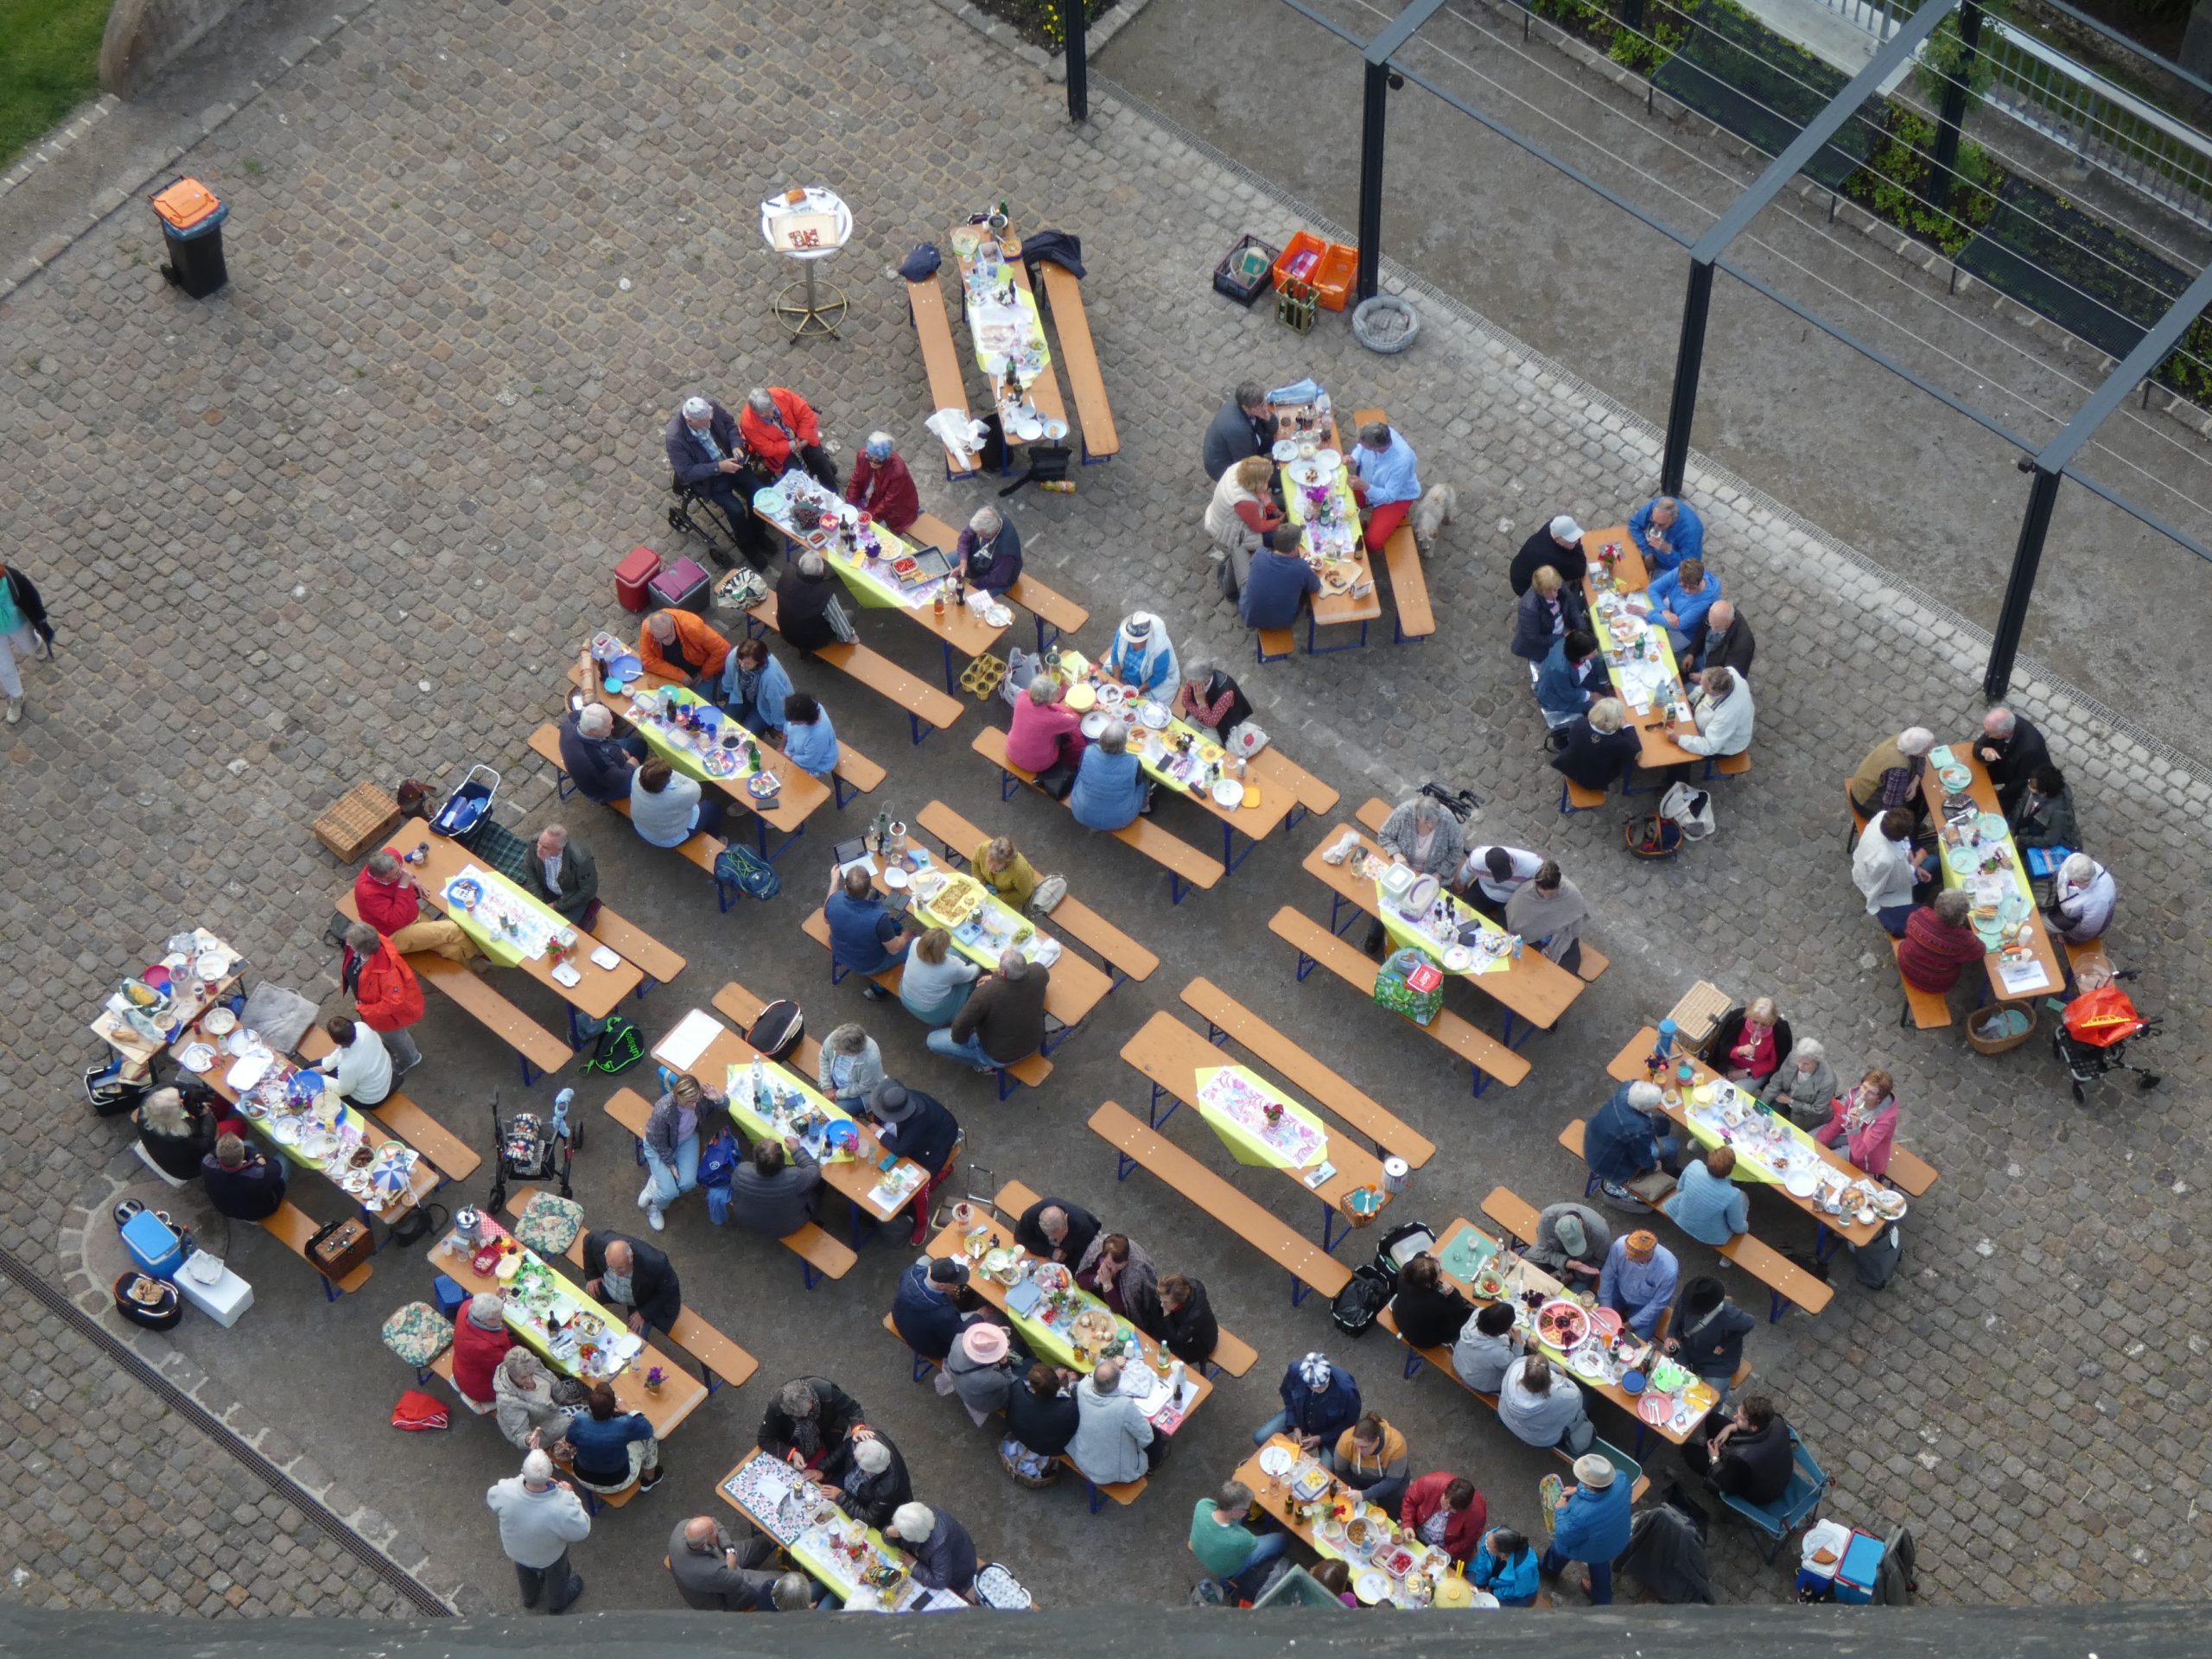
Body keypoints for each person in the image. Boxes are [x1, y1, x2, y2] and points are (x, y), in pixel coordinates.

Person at [665, 394, 776, 569]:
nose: (709, 424)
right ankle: (748, 546)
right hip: (711, 480)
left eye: (709, 419)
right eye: (704, 423)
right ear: (690, 421)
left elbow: (731, 426)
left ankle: (759, 533)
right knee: (736, 510)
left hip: (733, 462)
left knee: (758, 492)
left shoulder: (711, 407)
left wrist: (735, 446)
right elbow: (686, 472)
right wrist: (718, 467)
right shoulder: (675, 438)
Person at [487, 1449, 589, 1613]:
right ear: (551, 1473)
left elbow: (493, 1496)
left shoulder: (504, 1490)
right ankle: (557, 1604)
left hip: (516, 1551)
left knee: (524, 1572)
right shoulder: (561, 1505)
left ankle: (530, 1598)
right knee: (558, 1576)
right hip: (550, 1558)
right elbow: (582, 1529)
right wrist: (572, 1496)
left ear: (522, 1472)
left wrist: (522, 1477)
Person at [1363, 794, 1465, 953]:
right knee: (1388, 901)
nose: (1433, 826)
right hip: (1404, 870)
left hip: (1432, 876)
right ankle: (1375, 935)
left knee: (1427, 913)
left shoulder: (1447, 820)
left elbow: (1456, 851)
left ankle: (1413, 947)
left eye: (1435, 823)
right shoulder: (1404, 813)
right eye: (1429, 824)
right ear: (1418, 819)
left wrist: (1439, 874)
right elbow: (1385, 835)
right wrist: (1396, 853)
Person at [863, 1083, 961, 1236]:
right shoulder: (892, 1099)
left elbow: (901, 1150)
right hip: (913, 1137)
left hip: (936, 1143)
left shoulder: (918, 1118)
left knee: (918, 1187)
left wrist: (879, 1132)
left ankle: (922, 1222)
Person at [929, 948, 1049, 1072]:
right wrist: (995, 978)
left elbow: (959, 1028)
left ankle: (984, 1065)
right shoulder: (1039, 972)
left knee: (932, 1040)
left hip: (1000, 1056)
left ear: (1003, 973)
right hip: (1034, 1042)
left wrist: (966, 1041)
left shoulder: (984, 994)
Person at [352, 849, 473, 963]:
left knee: (453, 951)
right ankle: (481, 954)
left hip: (412, 915)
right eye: (394, 876)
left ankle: (472, 971)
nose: (399, 876)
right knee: (452, 929)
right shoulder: (367, 893)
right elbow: (395, 921)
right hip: (394, 933)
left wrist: (412, 881)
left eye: (400, 870)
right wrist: (403, 885)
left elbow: (403, 873)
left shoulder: (391, 854)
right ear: (379, 878)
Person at [1542, 1452, 1631, 1605]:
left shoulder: (1581, 1514)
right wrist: (1578, 1490)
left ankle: (1549, 1569)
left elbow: (1564, 1535)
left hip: (1594, 1549)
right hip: (1616, 1540)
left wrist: (1562, 1510)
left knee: (1561, 1546)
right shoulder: (1622, 1479)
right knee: (1600, 1565)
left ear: (1590, 1485)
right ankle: (1602, 1600)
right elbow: (1601, 1491)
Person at [340, 922, 425, 1074]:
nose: (347, 944)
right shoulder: (373, 946)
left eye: (351, 944)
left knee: (396, 1037)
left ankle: (410, 1058)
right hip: (375, 1010)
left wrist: (364, 1009)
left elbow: (393, 1003)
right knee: (389, 1036)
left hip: (389, 1018)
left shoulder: (387, 974)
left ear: (363, 950)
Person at [1681, 1395, 1795, 1504]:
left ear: (1754, 1427)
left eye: (1740, 1419)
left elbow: (1727, 1483)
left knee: (1688, 1450)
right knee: (1712, 1418)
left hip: (1761, 1491)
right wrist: (1729, 1428)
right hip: (1772, 1463)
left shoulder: (1743, 1459)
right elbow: (1758, 1432)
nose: (1735, 1417)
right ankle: (1716, 1450)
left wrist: (1714, 1458)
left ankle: (1709, 1456)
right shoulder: (1775, 1420)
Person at [1189, 1481, 1289, 1601]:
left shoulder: (1202, 1504)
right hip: (1231, 1570)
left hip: (1204, 1549)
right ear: (1235, 1510)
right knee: (1281, 1540)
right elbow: (1251, 1545)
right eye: (1247, 1509)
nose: (1248, 1510)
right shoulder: (1241, 1539)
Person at [1584, 1078, 1681, 1202]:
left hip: (1595, 1141)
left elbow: (1633, 1082)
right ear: (1643, 1109)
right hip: (1609, 1165)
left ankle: (1663, 1150)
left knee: (1662, 1122)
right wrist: (1653, 1167)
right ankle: (1670, 1172)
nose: (1659, 1105)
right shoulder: (1638, 1129)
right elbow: (1642, 1158)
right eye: (1657, 1104)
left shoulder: (1625, 1091)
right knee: (1673, 1145)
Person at [641, 1072, 716, 1230]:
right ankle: (655, 1205)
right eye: (690, 1102)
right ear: (679, 1098)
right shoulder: (664, 1109)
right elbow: (655, 1139)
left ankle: (658, 1182)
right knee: (669, 1192)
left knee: (688, 1183)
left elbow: (723, 1105)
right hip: (659, 1146)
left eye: (696, 1100)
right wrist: (670, 1164)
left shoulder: (699, 1099)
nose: (695, 1105)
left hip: (687, 1139)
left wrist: (719, 1098)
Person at [669, 1515, 788, 1612]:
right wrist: (731, 1565)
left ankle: (750, 1569)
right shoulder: (711, 1572)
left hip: (721, 1559)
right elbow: (736, 1580)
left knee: (762, 1544)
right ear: (704, 1544)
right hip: (725, 1590)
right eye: (714, 1533)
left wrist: (729, 1550)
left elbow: (714, 1521)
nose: (717, 1530)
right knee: (783, 1580)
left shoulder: (683, 1527)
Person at [1070, 1359, 1163, 1484]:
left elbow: (1091, 1378)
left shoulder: (1082, 1387)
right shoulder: (1124, 1406)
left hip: (1083, 1458)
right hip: (1112, 1473)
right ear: (1118, 1383)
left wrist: (1113, 1365)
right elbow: (1147, 1438)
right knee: (1155, 1432)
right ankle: (1153, 1464)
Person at [565, 1382, 663, 1497]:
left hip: (582, 1476)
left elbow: (570, 1439)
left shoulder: (580, 1419)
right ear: (613, 1406)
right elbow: (648, 1430)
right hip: (617, 1482)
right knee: (649, 1439)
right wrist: (629, 1410)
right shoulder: (624, 1424)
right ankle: (649, 1479)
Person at [824, 866, 911, 995]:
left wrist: (834, 881)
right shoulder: (879, 918)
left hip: (840, 951)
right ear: (871, 887)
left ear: (846, 888)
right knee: (914, 944)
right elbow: (894, 949)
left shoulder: (834, 900)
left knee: (892, 927)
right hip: (869, 965)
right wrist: (907, 935)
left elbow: (826, 919)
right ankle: (880, 988)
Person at [1666, 1276, 1755, 1400]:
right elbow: (1677, 1311)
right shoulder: (1691, 1297)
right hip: (1687, 1345)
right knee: (1666, 1377)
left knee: (1712, 1397)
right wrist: (1671, 1335)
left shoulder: (1728, 1315)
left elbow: (1750, 1323)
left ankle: (1717, 1410)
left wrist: (1725, 1344)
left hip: (1715, 1361)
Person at [1250, 1351, 1361, 1452]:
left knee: (1324, 1471)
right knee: (1260, 1438)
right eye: (1314, 1387)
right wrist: (1295, 1424)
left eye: (1323, 1385)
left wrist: (1322, 1438)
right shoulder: (1295, 1370)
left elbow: (1349, 1423)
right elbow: (1287, 1394)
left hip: (1330, 1430)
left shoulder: (1347, 1390)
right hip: (1298, 1415)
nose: (1319, 1389)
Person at [756, 1376, 870, 1473]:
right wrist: (792, 1454)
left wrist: (858, 1429)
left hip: (829, 1426)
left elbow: (853, 1410)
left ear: (811, 1402)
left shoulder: (827, 1391)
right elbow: (764, 1438)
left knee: (836, 1458)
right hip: (795, 1440)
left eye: (808, 1412)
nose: (805, 1417)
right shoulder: (777, 1406)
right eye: (798, 1416)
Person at [1205, 455, 1282, 594]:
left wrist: (1273, 509)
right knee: (1239, 561)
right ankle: (1230, 590)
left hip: (1225, 518)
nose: (1267, 483)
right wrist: (1278, 522)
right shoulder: (1244, 502)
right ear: (1256, 482)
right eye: (1265, 480)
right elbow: (1257, 526)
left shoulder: (1242, 470)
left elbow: (1261, 493)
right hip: (1233, 533)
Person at [580, 1230, 681, 1334]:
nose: (617, 1274)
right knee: (579, 1305)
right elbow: (588, 1240)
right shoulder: (600, 1241)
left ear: (631, 1257)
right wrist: (592, 1276)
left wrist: (644, 1313)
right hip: (608, 1287)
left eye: (621, 1269)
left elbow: (669, 1290)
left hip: (639, 1301)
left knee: (636, 1339)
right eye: (611, 1267)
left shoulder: (655, 1262)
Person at [1854, 808, 1934, 937]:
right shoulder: (1886, 859)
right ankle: (1918, 899)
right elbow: (1899, 878)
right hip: (1878, 881)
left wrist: (1914, 861)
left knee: (1926, 868)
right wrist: (1919, 860)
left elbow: (1904, 843)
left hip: (1872, 861)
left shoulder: (1883, 816)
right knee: (1933, 864)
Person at [739, 386, 837, 487]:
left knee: (819, 460)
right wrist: (793, 444)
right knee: (797, 476)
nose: (772, 414)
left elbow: (805, 413)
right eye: (766, 415)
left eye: (772, 409)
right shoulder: (748, 424)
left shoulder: (780, 394)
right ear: (755, 412)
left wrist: (804, 438)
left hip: (800, 433)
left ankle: (832, 490)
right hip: (780, 452)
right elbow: (767, 449)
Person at [1497, 1353, 1592, 1452]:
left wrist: (1555, 1368)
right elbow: (1577, 1398)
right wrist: (1562, 1377)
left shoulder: (1515, 1367)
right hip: (1541, 1440)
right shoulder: (1561, 1396)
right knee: (1587, 1393)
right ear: (1549, 1377)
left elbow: (1530, 1362)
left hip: (1507, 1417)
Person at [728, 1138, 823, 1237]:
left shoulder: (741, 1171)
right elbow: (815, 1171)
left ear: (756, 1160)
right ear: (782, 1160)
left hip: (749, 1221)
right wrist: (797, 1149)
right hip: (786, 1227)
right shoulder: (794, 1177)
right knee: (818, 1186)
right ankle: (814, 1218)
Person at [0, 556, 55, 724]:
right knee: (4, 668)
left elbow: (32, 597)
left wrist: (41, 622)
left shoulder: (11, 579)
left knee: (29, 648)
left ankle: (37, 644)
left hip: (18, 625)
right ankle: (16, 696)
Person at [1348, 419, 1421, 547]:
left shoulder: (1402, 461)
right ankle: (1360, 524)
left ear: (1376, 448)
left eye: (1364, 444)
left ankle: (1398, 515)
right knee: (1340, 501)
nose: (1359, 443)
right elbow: (1361, 447)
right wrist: (1354, 457)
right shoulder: (1381, 434)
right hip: (1368, 482)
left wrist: (1365, 487)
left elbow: (1389, 496)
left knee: (1373, 542)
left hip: (1396, 498)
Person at [1505, 860, 1586, 974]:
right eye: (1542, 894)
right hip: (1532, 940)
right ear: (1536, 885)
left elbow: (1573, 926)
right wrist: (1538, 947)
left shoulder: (1570, 894)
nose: (1547, 899)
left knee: (1566, 973)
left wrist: (1552, 945)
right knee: (1525, 969)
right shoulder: (1524, 894)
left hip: (1561, 938)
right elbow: (1518, 927)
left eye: (1552, 894)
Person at [891, 1254, 976, 1362]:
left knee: (924, 1259)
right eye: (954, 1283)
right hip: (930, 1347)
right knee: (988, 1317)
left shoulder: (910, 1272)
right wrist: (979, 1315)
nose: (956, 1285)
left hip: (901, 1317)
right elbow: (958, 1337)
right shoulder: (945, 1314)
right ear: (942, 1286)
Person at [1898, 889, 1986, 994]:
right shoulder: (1963, 939)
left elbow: (1908, 929)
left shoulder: (1920, 914)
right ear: (1962, 918)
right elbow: (1980, 951)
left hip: (1906, 965)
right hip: (1935, 983)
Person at [1815, 1069, 1898, 1177]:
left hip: (1865, 1154)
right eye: (1864, 1087)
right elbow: (1841, 1119)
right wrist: (1820, 1141)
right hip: (1850, 1135)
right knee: (1811, 1141)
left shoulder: (1884, 1122)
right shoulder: (1856, 1097)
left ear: (1879, 1099)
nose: (1863, 1095)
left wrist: (1854, 1127)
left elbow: (1859, 1153)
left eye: (1871, 1093)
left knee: (1825, 1164)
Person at [558, 702, 646, 805]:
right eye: (608, 726)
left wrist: (617, 748)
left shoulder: (572, 719)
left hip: (601, 758)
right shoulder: (596, 760)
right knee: (640, 750)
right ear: (594, 732)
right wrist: (631, 766)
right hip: (604, 790)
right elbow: (620, 779)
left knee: (638, 744)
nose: (613, 727)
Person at [1661, 1147, 1751, 1247]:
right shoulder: (1733, 1194)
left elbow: (1680, 1188)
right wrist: (1745, 1226)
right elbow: (1736, 1227)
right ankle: (1733, 1249)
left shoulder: (1695, 1165)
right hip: (1710, 1235)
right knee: (1744, 1197)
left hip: (1681, 1215)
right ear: (1730, 1170)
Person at [1239, 523, 1320, 631]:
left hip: (1250, 615)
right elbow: (1316, 587)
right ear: (1295, 548)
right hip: (1284, 621)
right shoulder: (1301, 567)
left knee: (1238, 552)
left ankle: (1230, 592)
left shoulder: (1260, 554)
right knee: (1305, 586)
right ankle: (1310, 612)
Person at [1551, 697, 1641, 795]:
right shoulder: (1619, 743)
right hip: (1591, 781)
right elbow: (1636, 752)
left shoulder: (1581, 723)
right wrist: (1628, 727)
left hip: (1567, 765)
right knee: (1625, 761)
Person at [885, 1502, 976, 1597]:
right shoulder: (915, 1517)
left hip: (959, 1573)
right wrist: (887, 1532)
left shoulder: (939, 1546)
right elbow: (897, 1534)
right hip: (940, 1560)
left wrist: (913, 1565)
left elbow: (940, 1581)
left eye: (900, 1533)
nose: (896, 1530)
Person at [1599, 1230, 1679, 1338]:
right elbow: (1607, 1276)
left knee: (1637, 1343)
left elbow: (1657, 1304)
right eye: (1626, 1252)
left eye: (1632, 1257)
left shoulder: (1669, 1270)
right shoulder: (1619, 1245)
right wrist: (1606, 1310)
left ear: (1646, 1257)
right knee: (1599, 1324)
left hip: (1645, 1305)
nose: (1626, 1257)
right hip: (1619, 1291)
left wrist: (1631, 1324)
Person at [1003, 1363, 1082, 1472]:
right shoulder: (1068, 1409)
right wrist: (1073, 1383)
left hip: (1019, 1433)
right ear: (1058, 1386)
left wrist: (1048, 1380)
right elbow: (1077, 1402)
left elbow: (1025, 1384)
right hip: (1052, 1448)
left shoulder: (1017, 1389)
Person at [630, 758, 724, 849]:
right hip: (668, 838)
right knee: (712, 809)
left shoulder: (638, 772)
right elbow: (695, 787)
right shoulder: (679, 795)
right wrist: (668, 772)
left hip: (642, 827)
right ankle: (715, 838)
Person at [1077, 1230, 1163, 1329]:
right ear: (1103, 1257)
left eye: (1118, 1268)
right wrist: (1097, 1279)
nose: (1113, 1271)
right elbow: (1080, 1279)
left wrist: (1107, 1284)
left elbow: (1121, 1309)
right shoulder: (1096, 1250)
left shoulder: (1135, 1271)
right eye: (1109, 1266)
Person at [1849, 727, 1936, 823]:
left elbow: (1921, 759)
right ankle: (1915, 830)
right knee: (1917, 807)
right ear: (1917, 752)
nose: (1932, 750)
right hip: (1867, 803)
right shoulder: (1899, 771)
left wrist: (1915, 781)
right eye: (1928, 750)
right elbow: (1891, 806)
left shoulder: (1904, 740)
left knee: (1920, 796)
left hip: (1863, 786)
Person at [1974, 704, 2050, 815]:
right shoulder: (2002, 724)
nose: (1987, 736)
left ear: (2005, 733)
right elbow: (1978, 746)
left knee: (1994, 809)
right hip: (2004, 763)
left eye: (1990, 733)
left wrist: (1998, 795)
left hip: (2023, 777)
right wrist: (1983, 751)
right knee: (1975, 777)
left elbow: (2020, 783)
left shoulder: (2030, 750)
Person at [493, 1348, 571, 1453]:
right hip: (545, 1427)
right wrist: (529, 1439)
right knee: (585, 1417)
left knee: (583, 1386)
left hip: (554, 1404)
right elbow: (519, 1435)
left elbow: (550, 1378)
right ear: (511, 1375)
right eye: (523, 1378)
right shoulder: (507, 1401)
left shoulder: (529, 1364)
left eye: (531, 1374)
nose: (530, 1380)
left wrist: (564, 1397)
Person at [1388, 1254, 1473, 1350]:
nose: (1442, 1271)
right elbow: (1458, 1307)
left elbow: (1417, 1258)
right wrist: (1452, 1293)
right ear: (1428, 1284)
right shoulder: (1431, 1301)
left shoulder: (1405, 1273)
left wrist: (1428, 1258)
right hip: (1422, 1338)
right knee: (1470, 1314)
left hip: (1400, 1314)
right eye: (1439, 1272)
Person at [774, 551, 851, 656]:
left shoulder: (788, 571)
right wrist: (851, 637)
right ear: (821, 573)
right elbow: (844, 632)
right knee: (850, 615)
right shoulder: (824, 594)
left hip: (785, 631)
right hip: (812, 641)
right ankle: (820, 655)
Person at [1007, 676, 1086, 778]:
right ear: (1049, 699)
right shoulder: (1053, 719)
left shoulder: (1021, 697)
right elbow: (1075, 720)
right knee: (1067, 736)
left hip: (1012, 751)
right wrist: (1061, 707)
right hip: (1038, 764)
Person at [899, 928, 979, 1028]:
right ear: (943, 949)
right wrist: (978, 964)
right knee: (967, 984)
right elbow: (972, 973)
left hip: (905, 997)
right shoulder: (951, 966)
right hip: (933, 1014)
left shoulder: (915, 942)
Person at [136, 1086, 219, 1181]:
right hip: (186, 1170)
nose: (181, 1101)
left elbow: (169, 1084)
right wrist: (206, 1115)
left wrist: (185, 1093)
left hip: (162, 1151)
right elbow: (205, 1143)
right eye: (179, 1105)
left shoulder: (149, 1104)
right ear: (172, 1117)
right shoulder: (179, 1138)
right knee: (234, 1126)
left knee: (218, 1101)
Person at [1399, 1472, 1485, 1564]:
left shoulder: (1477, 1514)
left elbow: (1467, 1540)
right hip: (1416, 1533)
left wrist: (1443, 1552)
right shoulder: (1430, 1483)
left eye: (1452, 1509)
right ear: (1444, 1491)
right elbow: (1410, 1500)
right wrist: (1408, 1524)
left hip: (1443, 1548)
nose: (1446, 1509)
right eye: (1445, 1502)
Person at [1329, 1413, 1411, 1510]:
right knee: (1336, 1492)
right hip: (1357, 1477)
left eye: (1363, 1447)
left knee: (1397, 1498)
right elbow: (1341, 1471)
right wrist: (1356, 1492)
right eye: (1356, 1445)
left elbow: (1392, 1481)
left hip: (1386, 1479)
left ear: (1376, 1441)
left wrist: (1365, 1495)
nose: (1359, 1450)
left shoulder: (1397, 1445)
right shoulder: (1346, 1440)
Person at [1702, 997, 1792, 1084]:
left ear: (1771, 1023)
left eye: (1764, 1024)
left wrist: (1747, 1072)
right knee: (1714, 1081)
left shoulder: (1778, 1035)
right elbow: (1724, 1048)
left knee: (1739, 1091)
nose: (1758, 1028)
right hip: (1730, 1063)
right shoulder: (1737, 1021)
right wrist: (1740, 1050)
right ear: (1750, 1016)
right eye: (1755, 1022)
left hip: (1755, 1072)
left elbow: (1772, 1063)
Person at [946, 1321, 1020, 1426]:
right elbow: (1008, 1379)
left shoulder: (958, 1341)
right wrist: (1004, 1360)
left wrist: (994, 1337)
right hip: (985, 1402)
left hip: (961, 1383)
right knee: (1021, 1371)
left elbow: (980, 1343)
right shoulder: (985, 1378)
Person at [198, 1131, 284, 1220]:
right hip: (256, 1213)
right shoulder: (257, 1175)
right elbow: (277, 1167)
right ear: (242, 1155)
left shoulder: (206, 1162)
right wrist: (259, 1159)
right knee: (284, 1158)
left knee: (249, 1143)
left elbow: (246, 1148)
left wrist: (256, 1155)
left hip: (227, 1208)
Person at [523, 824, 598, 926]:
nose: (539, 849)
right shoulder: (535, 843)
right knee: (526, 917)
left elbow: (588, 891)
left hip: (571, 898)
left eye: (545, 847)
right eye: (540, 843)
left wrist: (556, 906)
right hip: (546, 891)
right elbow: (529, 867)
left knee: (561, 929)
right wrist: (538, 898)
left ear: (559, 849)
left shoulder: (581, 860)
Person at [718, 638, 794, 738]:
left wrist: (778, 726)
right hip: (742, 694)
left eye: (747, 664)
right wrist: (726, 690)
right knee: (723, 724)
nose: (741, 666)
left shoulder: (771, 677)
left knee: (745, 737)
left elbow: (777, 703)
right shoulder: (734, 656)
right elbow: (729, 677)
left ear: (759, 662)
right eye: (740, 661)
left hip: (765, 705)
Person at [1758, 1038, 1839, 1133]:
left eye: (1806, 1064)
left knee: (1787, 1134)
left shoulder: (1828, 1081)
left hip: (1807, 1115)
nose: (1800, 1066)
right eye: (1799, 1061)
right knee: (1764, 1119)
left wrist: (1790, 1101)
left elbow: (1817, 1110)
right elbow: (1777, 1081)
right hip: (1785, 1097)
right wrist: (1760, 1105)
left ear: (1817, 1062)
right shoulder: (1793, 1056)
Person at [1526, 1201, 1611, 1290]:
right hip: (1555, 1254)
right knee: (1527, 1272)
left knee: (1574, 1297)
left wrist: (1573, 1275)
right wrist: (1568, 1263)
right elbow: (1544, 1251)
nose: (1574, 1253)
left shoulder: (1600, 1234)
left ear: (1581, 1223)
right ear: (1556, 1232)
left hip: (1582, 1268)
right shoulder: (1547, 1219)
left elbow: (1599, 1261)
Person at [836, 1433, 912, 1531]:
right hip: (852, 1492)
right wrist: (822, 1469)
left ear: (873, 1471)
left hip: (871, 1508)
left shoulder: (888, 1488)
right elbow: (842, 1450)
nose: (858, 1467)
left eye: (863, 1468)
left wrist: (841, 1497)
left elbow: (869, 1519)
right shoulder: (865, 1439)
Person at [1453, 842, 1545, 925]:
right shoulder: (1477, 859)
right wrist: (1461, 884)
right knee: (1462, 915)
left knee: (1509, 930)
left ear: (1510, 859)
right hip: (1483, 891)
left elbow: (1542, 886)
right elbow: (1465, 873)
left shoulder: (1533, 865)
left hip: (1510, 900)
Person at [451, 1293, 515, 1409]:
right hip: (478, 1386)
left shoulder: (467, 1306)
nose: (502, 1318)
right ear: (486, 1321)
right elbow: (505, 1365)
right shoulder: (484, 1347)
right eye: (498, 1317)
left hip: (462, 1367)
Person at [845, 432, 919, 532]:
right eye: (870, 458)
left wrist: (869, 518)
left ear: (886, 458)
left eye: (877, 461)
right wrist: (850, 505)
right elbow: (856, 481)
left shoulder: (897, 472)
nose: (872, 463)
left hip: (894, 509)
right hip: (871, 498)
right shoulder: (863, 456)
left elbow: (889, 502)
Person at [639, 608, 732, 689]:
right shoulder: (647, 629)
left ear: (673, 624)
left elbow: (722, 649)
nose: (666, 642)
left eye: (669, 636)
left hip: (698, 670)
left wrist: (705, 673)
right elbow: (647, 660)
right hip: (670, 672)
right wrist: (679, 675)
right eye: (660, 639)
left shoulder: (692, 627)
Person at [1511, 565, 1586, 662]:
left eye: (1556, 589)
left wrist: (1582, 628)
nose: (1555, 594)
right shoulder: (1529, 608)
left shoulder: (1556, 584)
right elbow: (1535, 638)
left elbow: (1571, 605)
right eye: (1549, 592)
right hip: (1544, 643)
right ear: (1540, 591)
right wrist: (1564, 638)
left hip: (1561, 627)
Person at [1676, 666, 1753, 760]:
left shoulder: (1727, 715)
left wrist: (1679, 739)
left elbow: (1710, 746)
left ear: (1715, 693)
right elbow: (1702, 689)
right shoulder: (1727, 673)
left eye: (1705, 689)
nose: (1700, 683)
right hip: (1716, 728)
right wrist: (1689, 701)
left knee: (1680, 753)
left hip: (1725, 746)